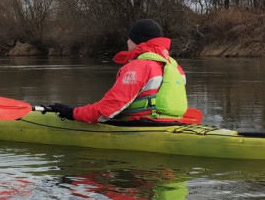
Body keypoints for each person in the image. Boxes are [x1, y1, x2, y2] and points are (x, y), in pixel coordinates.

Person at [46, 19, 188, 124]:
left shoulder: (139, 66)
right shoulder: (175, 67)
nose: (127, 42)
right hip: (173, 123)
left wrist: (73, 112)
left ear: (137, 41)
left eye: (129, 38)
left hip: (142, 125)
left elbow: (108, 109)